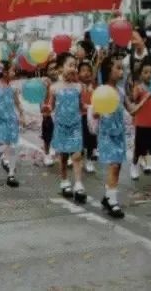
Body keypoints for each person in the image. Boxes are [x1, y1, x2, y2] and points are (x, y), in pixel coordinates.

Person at [96, 55, 138, 219]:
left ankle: (108, 197)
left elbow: (132, 110)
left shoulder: (120, 91)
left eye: (122, 68)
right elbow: (96, 112)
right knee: (114, 166)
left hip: (119, 134)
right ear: (108, 70)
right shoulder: (102, 90)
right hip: (107, 135)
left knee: (117, 167)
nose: (122, 71)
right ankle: (113, 202)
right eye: (118, 68)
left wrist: (147, 99)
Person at [49, 52, 86, 204]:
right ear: (60, 68)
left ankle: (78, 184)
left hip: (75, 125)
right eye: (70, 65)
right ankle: (64, 181)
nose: (73, 69)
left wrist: (90, 108)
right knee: (63, 157)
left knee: (77, 155)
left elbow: (81, 106)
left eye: (75, 66)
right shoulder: (54, 88)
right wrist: (46, 109)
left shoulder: (78, 87)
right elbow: (50, 106)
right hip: (61, 126)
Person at [0, 61, 25, 187]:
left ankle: (11, 174)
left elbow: (17, 102)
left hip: (12, 120)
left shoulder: (13, 87)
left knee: (14, 147)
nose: (14, 73)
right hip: (0, 119)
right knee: (3, 146)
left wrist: (22, 114)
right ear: (4, 72)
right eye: (12, 70)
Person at [129, 60, 151, 181]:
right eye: (145, 72)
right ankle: (134, 166)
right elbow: (133, 102)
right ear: (141, 74)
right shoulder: (139, 88)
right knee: (139, 149)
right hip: (141, 124)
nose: (149, 74)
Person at [78, 61, 97, 173]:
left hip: (91, 116)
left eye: (88, 71)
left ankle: (89, 160)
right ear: (78, 73)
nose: (87, 73)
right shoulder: (77, 85)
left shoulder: (94, 85)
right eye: (83, 70)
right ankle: (78, 157)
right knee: (80, 138)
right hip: (80, 115)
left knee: (91, 139)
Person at [41, 60, 58, 167]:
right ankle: (46, 154)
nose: (53, 71)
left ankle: (58, 152)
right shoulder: (45, 82)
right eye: (51, 69)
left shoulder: (62, 81)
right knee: (47, 135)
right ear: (47, 71)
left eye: (55, 68)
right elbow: (41, 98)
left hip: (60, 112)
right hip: (48, 113)